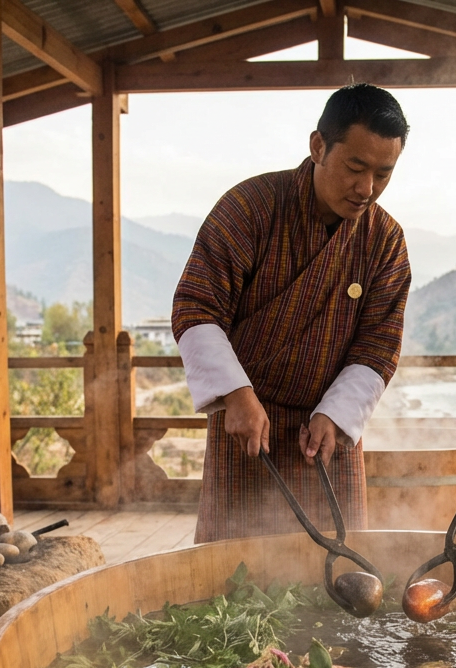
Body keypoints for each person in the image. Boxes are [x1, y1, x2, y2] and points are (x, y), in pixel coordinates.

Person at [172, 84, 412, 543]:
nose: (367, 189)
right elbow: (197, 307)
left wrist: (336, 416)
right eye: (355, 168)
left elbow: (379, 345)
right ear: (318, 145)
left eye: (384, 174)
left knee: (340, 571)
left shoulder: (384, 241)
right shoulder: (250, 208)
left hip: (328, 431)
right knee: (234, 576)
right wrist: (237, 396)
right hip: (244, 419)